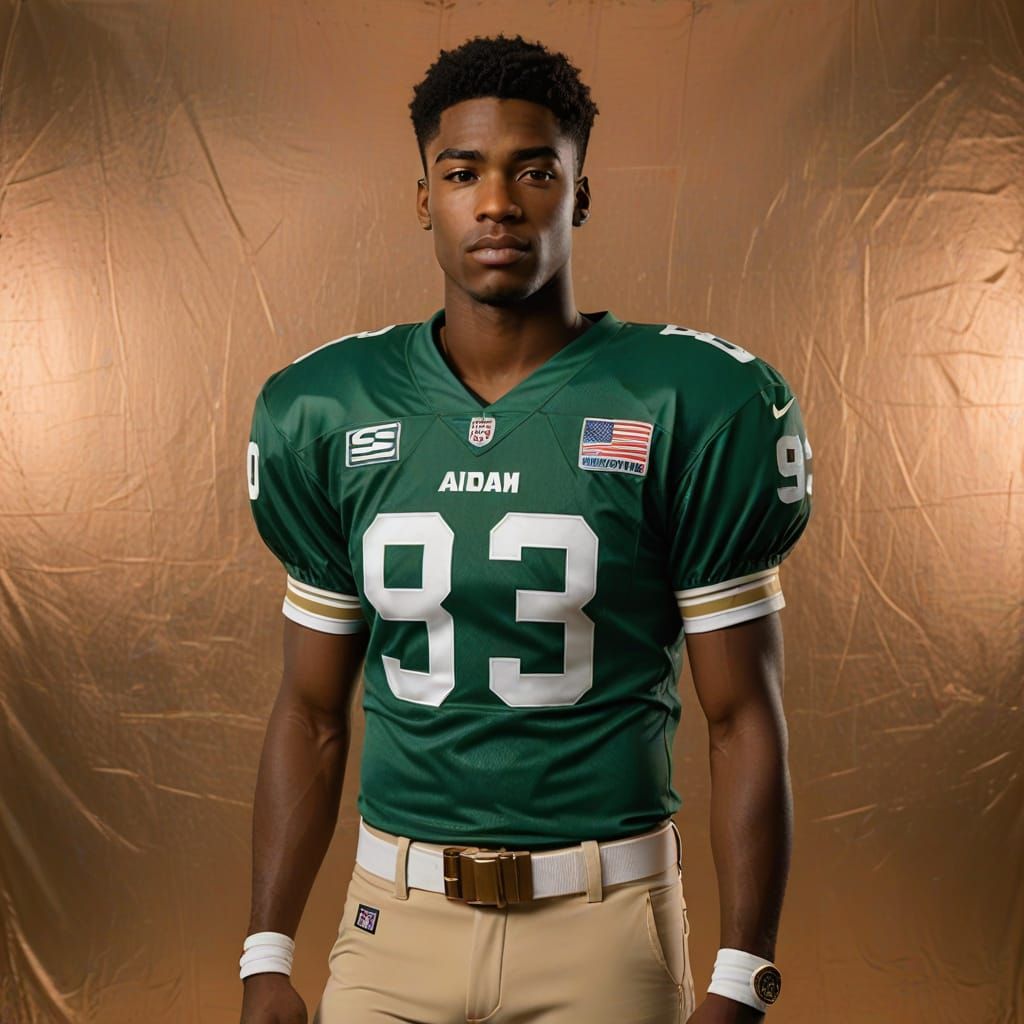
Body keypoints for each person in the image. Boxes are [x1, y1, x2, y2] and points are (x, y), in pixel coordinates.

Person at [238, 33, 811, 1024]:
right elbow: (311, 711)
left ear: (579, 192)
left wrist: (740, 975)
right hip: (392, 920)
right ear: (424, 197)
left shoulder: (691, 401)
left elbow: (742, 716)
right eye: (462, 173)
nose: (497, 203)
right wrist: (265, 955)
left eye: (534, 171)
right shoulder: (325, 409)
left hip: (603, 919)